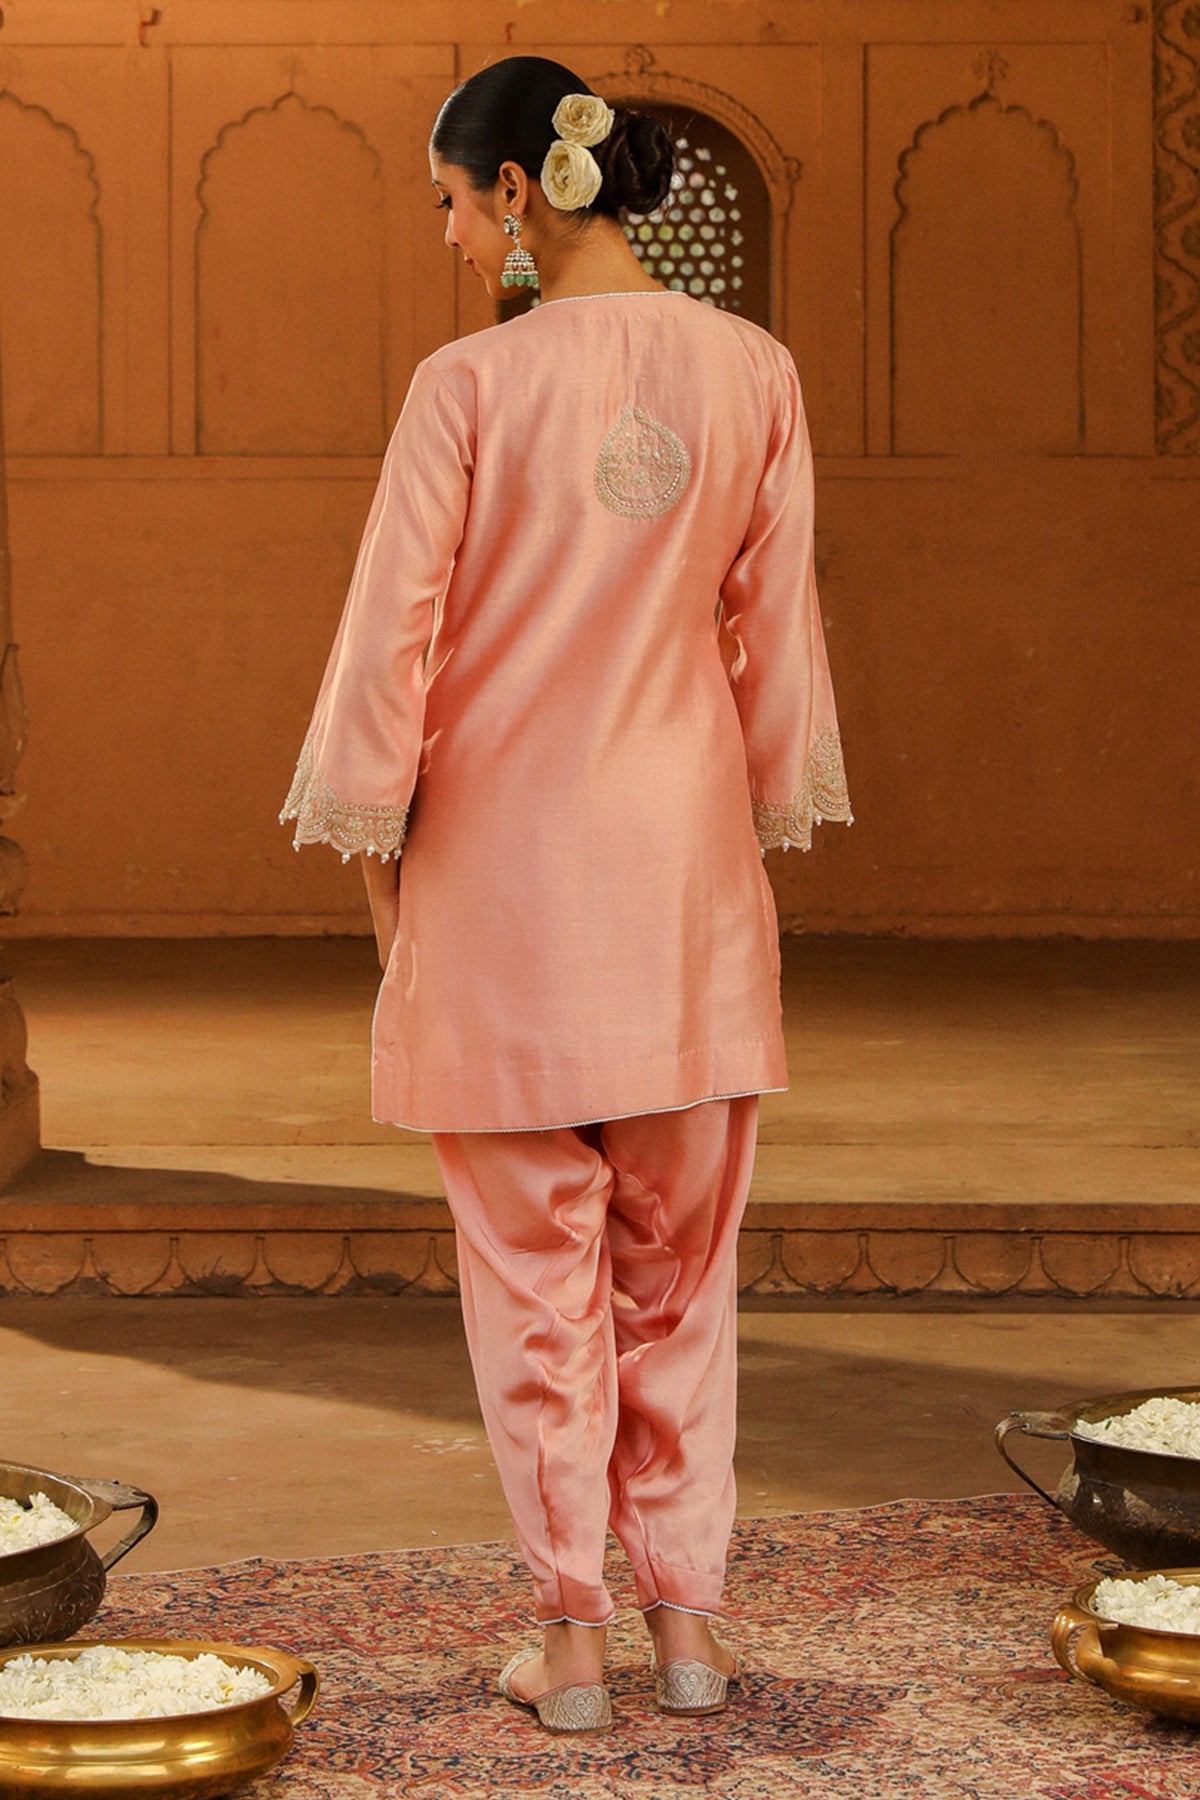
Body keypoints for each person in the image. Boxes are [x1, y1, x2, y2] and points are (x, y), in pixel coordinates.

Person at [281, 54, 851, 1733]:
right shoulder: (756, 371)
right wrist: (754, 827)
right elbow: (777, 646)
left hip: (503, 889)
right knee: (679, 1278)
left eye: (453, 203)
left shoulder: (466, 384)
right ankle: (688, 1634)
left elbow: (386, 649)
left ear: (520, 191)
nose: (453, 237)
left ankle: (575, 1644)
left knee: (536, 1282)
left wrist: (381, 883)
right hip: (683, 893)